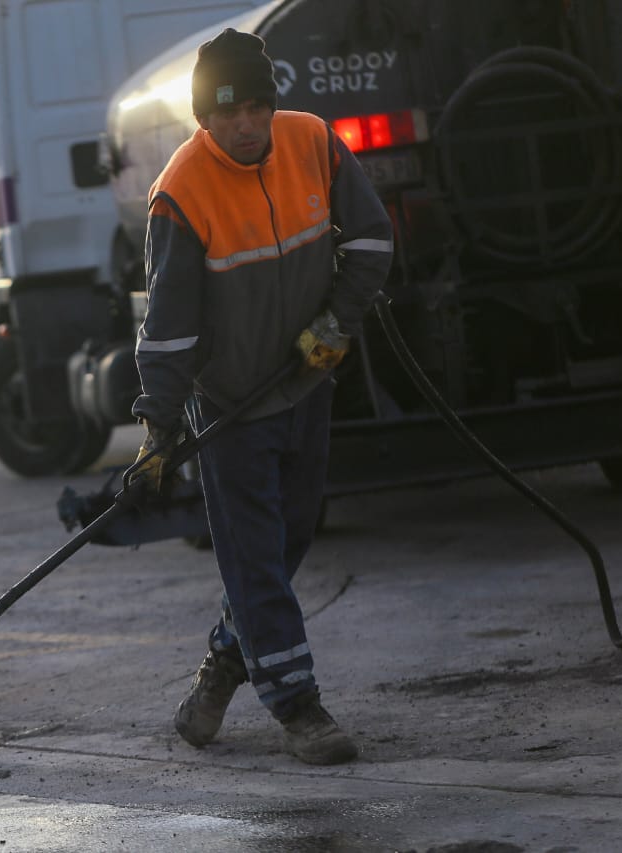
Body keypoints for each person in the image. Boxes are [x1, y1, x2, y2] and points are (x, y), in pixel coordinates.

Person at [131, 29, 393, 765]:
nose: (245, 124)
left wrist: (336, 322)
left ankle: (222, 663)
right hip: (230, 411)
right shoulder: (180, 194)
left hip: (307, 387)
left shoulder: (311, 141)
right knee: (253, 558)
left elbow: (371, 239)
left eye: (255, 107)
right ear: (202, 118)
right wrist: (158, 429)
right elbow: (170, 328)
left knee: (287, 541)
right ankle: (300, 706)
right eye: (228, 112)